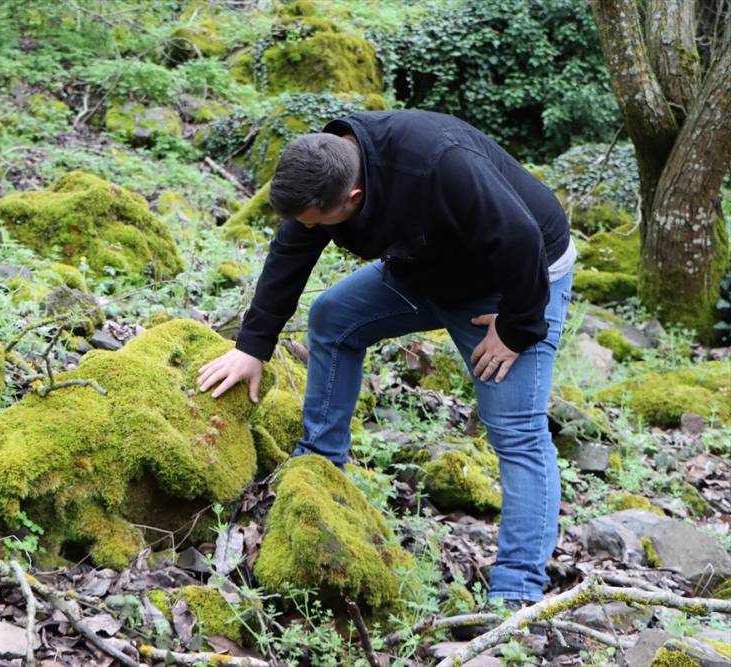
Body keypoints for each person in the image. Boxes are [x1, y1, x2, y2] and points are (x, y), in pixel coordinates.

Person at [196, 109, 576, 606]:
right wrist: (253, 347)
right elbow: (290, 252)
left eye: (317, 221)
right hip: (426, 269)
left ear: (352, 198)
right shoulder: (325, 164)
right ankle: (320, 466)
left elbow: (521, 238)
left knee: (516, 431)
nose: (307, 229)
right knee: (333, 319)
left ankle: (516, 593)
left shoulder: (442, 165)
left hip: (515, 285)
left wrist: (519, 325)